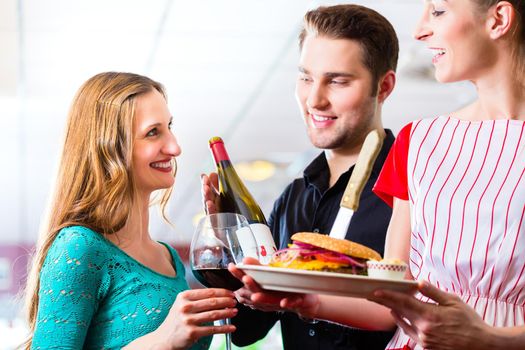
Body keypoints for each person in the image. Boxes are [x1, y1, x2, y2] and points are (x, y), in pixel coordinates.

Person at [231, 1, 525, 349]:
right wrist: (307, 303)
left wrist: (490, 339)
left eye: (439, 10)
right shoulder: (419, 141)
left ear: (499, 19)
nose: (420, 29)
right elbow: (394, 294)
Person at [202, 4, 399, 349]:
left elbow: (418, 312)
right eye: (306, 77)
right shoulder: (293, 197)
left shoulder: (412, 189)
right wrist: (229, 252)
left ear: (383, 87)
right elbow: (251, 329)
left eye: (337, 81)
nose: (314, 99)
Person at [22, 72, 238, 349]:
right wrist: (161, 341)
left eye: (169, 126)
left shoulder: (168, 257)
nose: (175, 147)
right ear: (108, 148)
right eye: (153, 132)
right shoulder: (79, 247)